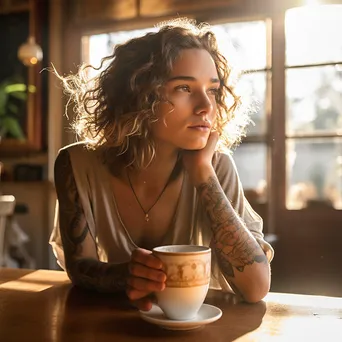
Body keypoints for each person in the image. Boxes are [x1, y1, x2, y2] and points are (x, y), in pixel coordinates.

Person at [50, 18, 274, 311]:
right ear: (139, 94)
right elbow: (80, 268)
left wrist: (202, 172)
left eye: (214, 91)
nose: (206, 107)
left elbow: (256, 288)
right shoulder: (75, 164)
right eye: (184, 88)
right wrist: (123, 276)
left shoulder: (216, 166)